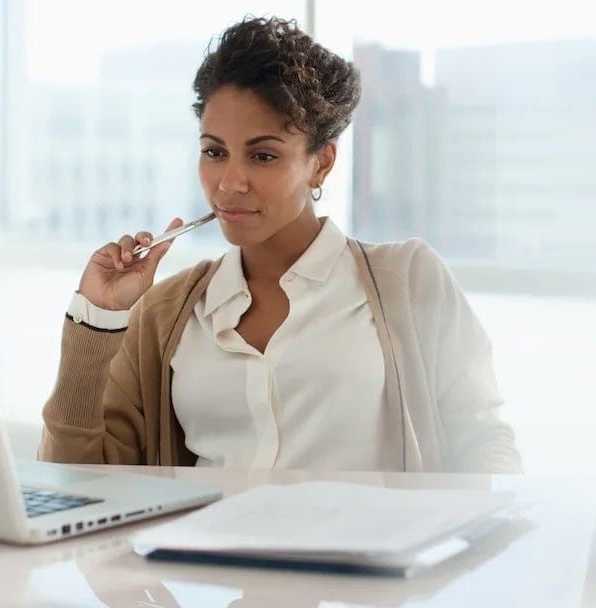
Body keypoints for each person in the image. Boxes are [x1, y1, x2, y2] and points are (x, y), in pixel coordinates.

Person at [37, 16, 521, 473]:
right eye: (214, 152)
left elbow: (484, 445)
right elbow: (77, 486)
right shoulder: (165, 314)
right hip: (201, 561)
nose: (229, 183)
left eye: (263, 155)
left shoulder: (408, 279)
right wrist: (98, 317)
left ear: (321, 163)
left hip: (362, 559)